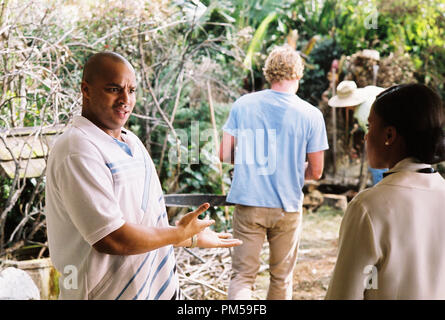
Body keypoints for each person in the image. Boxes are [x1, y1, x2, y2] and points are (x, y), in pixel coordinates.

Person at [45, 52, 242, 300]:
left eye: (132, 90)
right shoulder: (77, 149)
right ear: (86, 90)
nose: (125, 99)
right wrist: (179, 233)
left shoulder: (132, 142)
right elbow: (111, 238)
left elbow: (145, 226)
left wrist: (190, 238)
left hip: (154, 289)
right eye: (114, 89)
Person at [219, 45, 329, 300]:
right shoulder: (311, 115)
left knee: (242, 278)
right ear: (299, 75)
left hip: (248, 204)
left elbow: (224, 154)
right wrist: (290, 166)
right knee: (281, 279)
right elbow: (317, 171)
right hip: (286, 207)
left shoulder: (243, 105)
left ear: (268, 73)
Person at [326, 83, 445, 299]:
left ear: (389, 135)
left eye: (370, 127)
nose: (365, 136)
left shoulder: (368, 207)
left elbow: (344, 293)